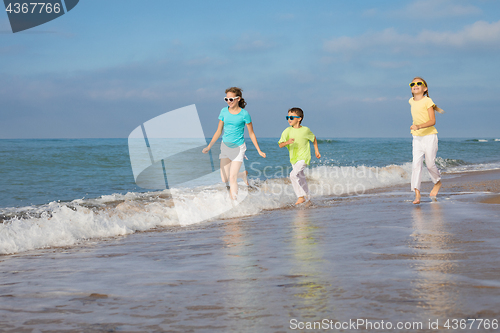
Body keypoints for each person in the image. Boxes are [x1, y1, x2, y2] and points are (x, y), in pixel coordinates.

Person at [203, 87, 266, 200]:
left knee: (232, 178)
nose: (228, 101)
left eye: (231, 99)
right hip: (225, 147)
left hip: (239, 147)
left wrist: (259, 150)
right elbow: (219, 131)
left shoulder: (244, 114)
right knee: (224, 179)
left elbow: (251, 133)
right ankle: (242, 175)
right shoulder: (223, 111)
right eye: (226, 99)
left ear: (238, 99)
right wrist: (209, 146)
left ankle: (235, 204)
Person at [408, 77, 445, 204]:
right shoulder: (411, 101)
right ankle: (417, 193)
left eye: (419, 83)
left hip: (429, 137)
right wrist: (415, 128)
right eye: (413, 84)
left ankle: (437, 182)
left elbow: (432, 121)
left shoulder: (427, 101)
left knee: (430, 164)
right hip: (417, 137)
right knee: (416, 165)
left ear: (425, 88)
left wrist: (418, 126)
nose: (415, 85)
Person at [278, 107, 321, 205]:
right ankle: (308, 198)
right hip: (294, 159)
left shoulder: (305, 130)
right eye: (287, 117)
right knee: (301, 178)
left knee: (292, 175)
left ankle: (300, 196)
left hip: (304, 158)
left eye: (291, 117)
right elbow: (280, 145)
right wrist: (287, 142)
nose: (289, 119)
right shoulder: (287, 131)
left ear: (299, 118)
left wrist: (316, 151)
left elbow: (313, 138)